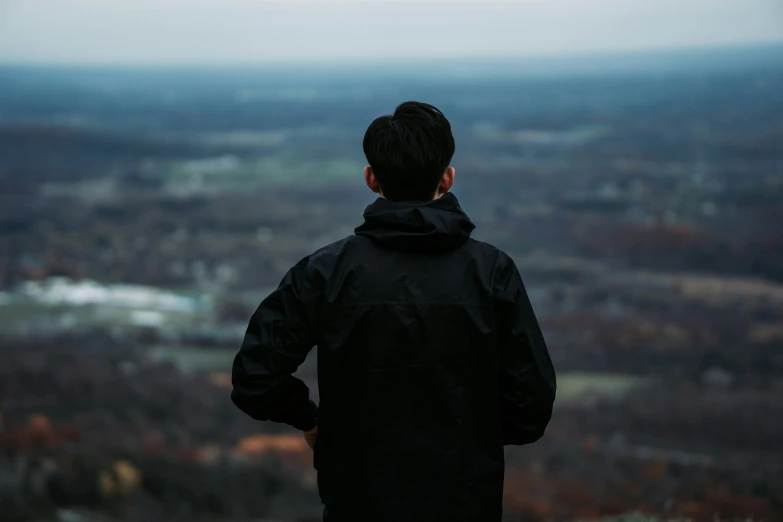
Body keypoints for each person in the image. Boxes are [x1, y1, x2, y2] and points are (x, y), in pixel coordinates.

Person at [231, 101, 557, 522]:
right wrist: (468, 438)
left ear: (371, 178)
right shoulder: (492, 273)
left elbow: (255, 378)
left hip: (357, 504)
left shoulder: (325, 273)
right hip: (464, 504)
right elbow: (531, 408)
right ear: (447, 178)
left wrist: (311, 420)